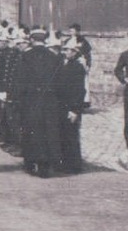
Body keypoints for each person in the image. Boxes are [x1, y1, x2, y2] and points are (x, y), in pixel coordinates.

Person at [16, 29, 64, 177]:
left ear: (32, 39)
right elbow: (59, 82)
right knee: (47, 131)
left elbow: (20, 80)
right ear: (44, 40)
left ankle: (30, 163)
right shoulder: (54, 57)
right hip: (49, 100)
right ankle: (45, 166)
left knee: (31, 131)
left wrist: (18, 100)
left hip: (31, 100)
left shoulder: (25, 56)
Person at [56, 41, 90, 174]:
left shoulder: (77, 67)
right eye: (65, 50)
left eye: (70, 51)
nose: (67, 52)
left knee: (71, 135)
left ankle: (74, 165)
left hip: (71, 106)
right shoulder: (64, 64)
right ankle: (64, 163)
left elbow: (79, 90)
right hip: (62, 106)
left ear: (75, 53)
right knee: (63, 134)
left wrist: (75, 110)